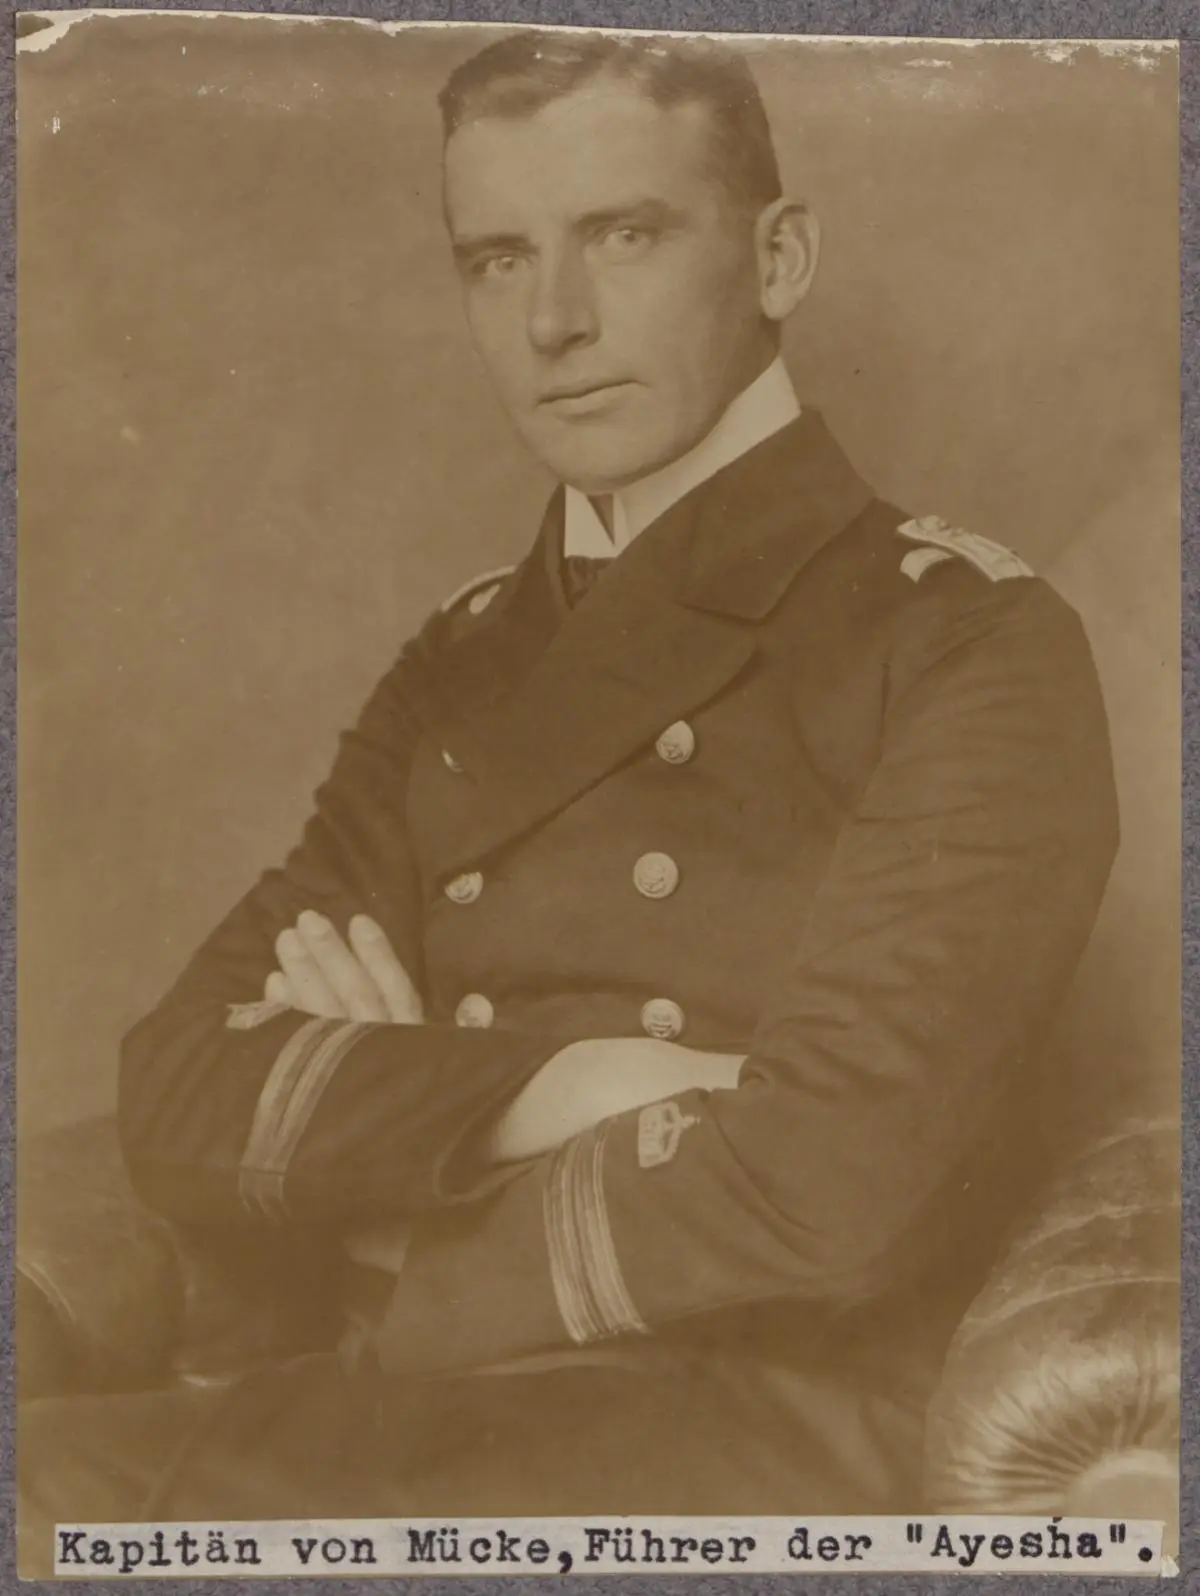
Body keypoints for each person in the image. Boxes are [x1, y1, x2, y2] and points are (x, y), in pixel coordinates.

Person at [20, 27, 1119, 1556]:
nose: (553, 320)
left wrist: (394, 1186)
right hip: (422, 1402)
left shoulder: (963, 641)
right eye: (497, 259)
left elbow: (829, 1199)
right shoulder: (464, 656)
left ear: (781, 256)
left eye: (625, 235)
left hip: (739, 1431)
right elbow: (180, 1084)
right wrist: (584, 1082)